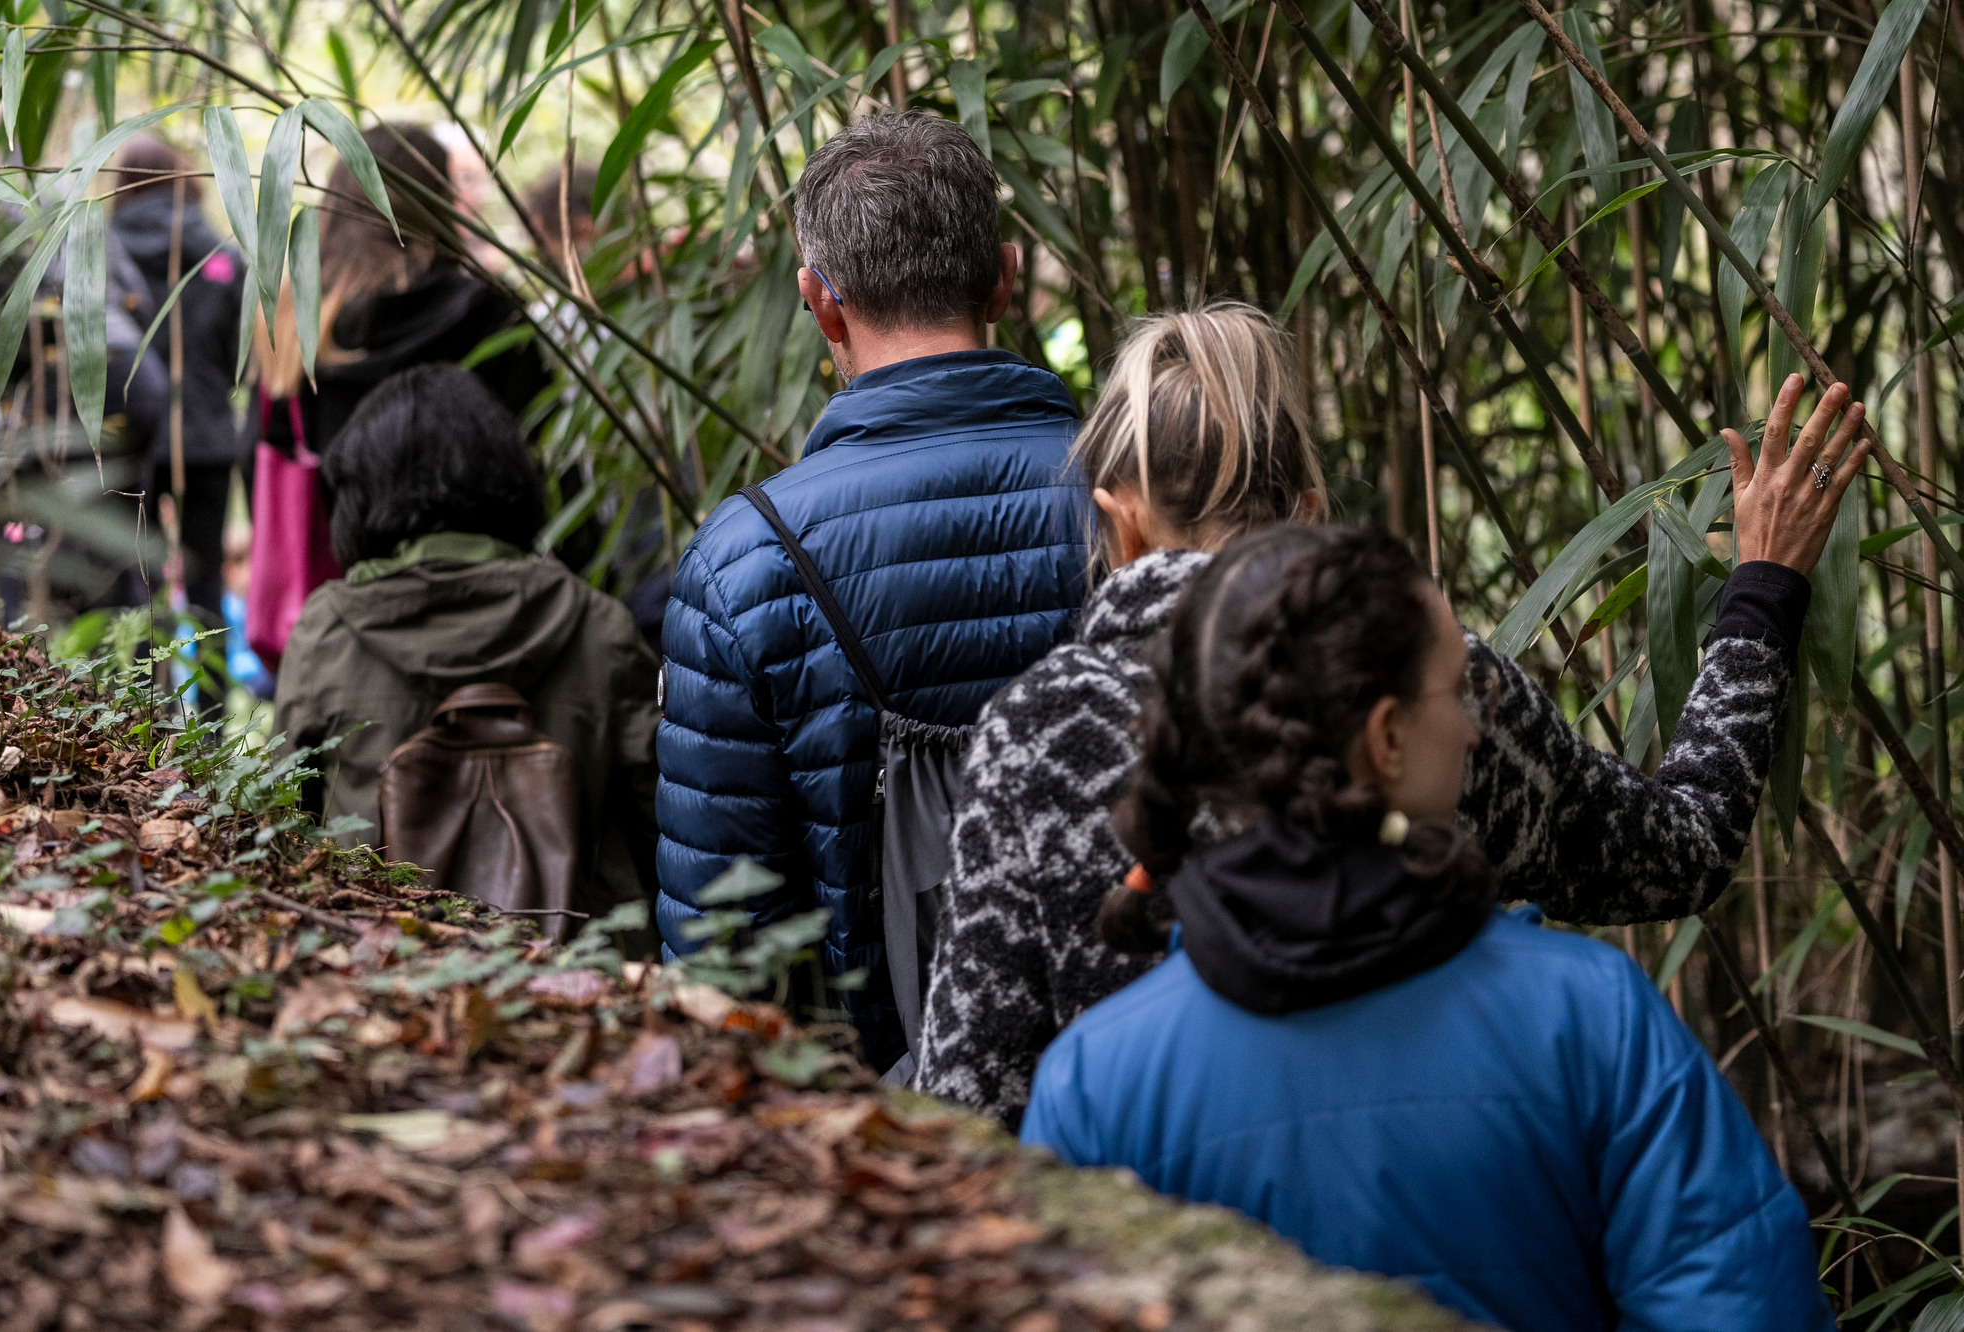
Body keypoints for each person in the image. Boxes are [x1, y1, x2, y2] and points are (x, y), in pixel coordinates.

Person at [915, 303, 1870, 1129]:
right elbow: (1684, 847)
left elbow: (970, 1097)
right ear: (1314, 512)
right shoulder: (1433, 690)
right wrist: (1761, 591)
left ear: (1117, 521)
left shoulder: (1030, 734)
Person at [1021, 523, 1836, 1331]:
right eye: (1458, 690)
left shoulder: (1092, 1083)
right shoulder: (1592, 1020)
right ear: (1386, 738)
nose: (1477, 728)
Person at [656, 111, 1090, 1066]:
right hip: (1143, 1057)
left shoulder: (745, 559)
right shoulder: (1138, 492)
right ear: (1005, 279)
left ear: (821, 302)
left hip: (896, 1113)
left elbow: (723, 954)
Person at [273, 364, 660, 927]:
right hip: (584, 973)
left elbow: (282, 829)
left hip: (371, 968)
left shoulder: (327, 632)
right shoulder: (598, 627)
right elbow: (663, 823)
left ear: (358, 494)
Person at [256, 123, 549, 459]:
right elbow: (541, 437)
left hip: (343, 511)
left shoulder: (294, 316)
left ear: (336, 197)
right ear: (438, 199)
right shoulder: (488, 310)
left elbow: (269, 454)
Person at [110, 134, 250, 621]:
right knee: (206, 581)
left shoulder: (103, 255)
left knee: (135, 584)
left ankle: (141, 698)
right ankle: (209, 699)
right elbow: (245, 357)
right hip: (207, 438)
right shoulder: (223, 256)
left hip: (131, 442)